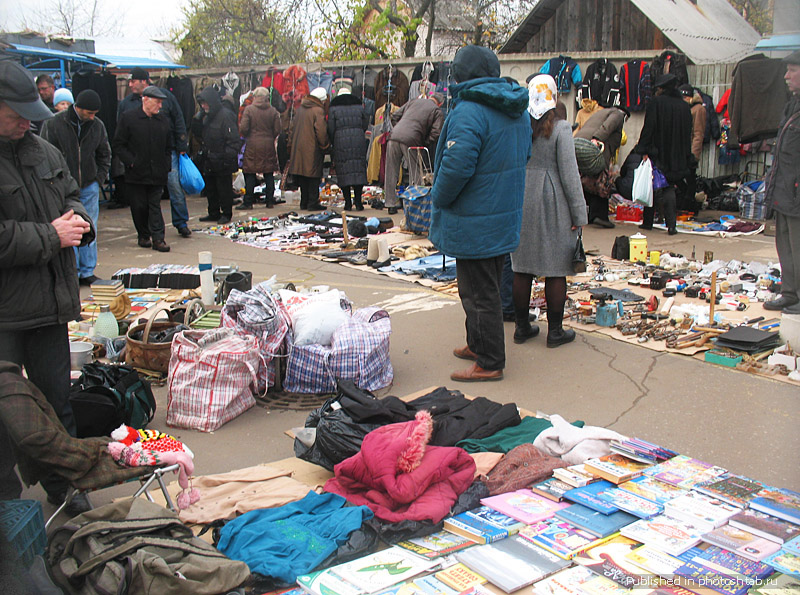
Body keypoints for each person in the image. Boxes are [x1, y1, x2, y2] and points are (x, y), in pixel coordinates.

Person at [0, 60, 94, 514]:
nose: (25, 120)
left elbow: (72, 195)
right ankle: (6, 501)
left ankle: (66, 483)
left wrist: (82, 221)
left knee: (58, 401)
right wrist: (50, 237)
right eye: (15, 112)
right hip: (6, 312)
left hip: (52, 306)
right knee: (5, 413)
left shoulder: (44, 151)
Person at [430, 45, 532, 383]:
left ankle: (489, 361)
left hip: (475, 217)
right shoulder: (514, 107)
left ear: (463, 76)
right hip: (498, 213)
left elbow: (457, 167)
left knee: (479, 292)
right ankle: (477, 344)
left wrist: (439, 197)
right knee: (473, 287)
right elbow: (523, 154)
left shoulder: (470, 110)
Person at [512, 74, 587, 349]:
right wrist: (579, 215)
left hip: (522, 197)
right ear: (553, 97)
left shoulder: (520, 125)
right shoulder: (561, 128)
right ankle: (555, 332)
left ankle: (522, 327)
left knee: (522, 268)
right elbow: (570, 175)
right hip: (553, 200)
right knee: (556, 269)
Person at [41, 89, 111, 286]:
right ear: (78, 107)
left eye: (94, 113)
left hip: (88, 184)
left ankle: (87, 271)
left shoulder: (97, 126)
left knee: (89, 227)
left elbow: (104, 153)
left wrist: (99, 178)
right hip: (62, 187)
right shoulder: (54, 124)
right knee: (69, 229)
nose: (92, 117)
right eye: (89, 113)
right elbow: (43, 154)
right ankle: (70, 270)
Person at [116, 68, 191, 237]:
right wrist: (130, 161)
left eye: (133, 81)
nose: (130, 84)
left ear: (143, 81)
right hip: (139, 161)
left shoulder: (165, 98)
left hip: (163, 155)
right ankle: (145, 232)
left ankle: (179, 223)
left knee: (173, 189)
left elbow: (178, 118)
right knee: (141, 202)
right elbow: (120, 138)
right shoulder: (127, 105)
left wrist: (181, 146)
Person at [114, 85, 173, 252]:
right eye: (157, 102)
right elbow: (119, 145)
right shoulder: (129, 118)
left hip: (157, 172)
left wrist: (166, 164)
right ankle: (143, 234)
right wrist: (131, 162)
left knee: (155, 205)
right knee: (139, 206)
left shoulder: (162, 121)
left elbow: (169, 146)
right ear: (145, 100)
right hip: (137, 173)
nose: (160, 106)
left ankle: (158, 238)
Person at [763, 50, 800, 314]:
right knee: (785, 247)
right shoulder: (792, 107)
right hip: (784, 192)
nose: (786, 76)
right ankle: (790, 293)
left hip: (797, 193)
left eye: (792, 70)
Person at [634, 73, 693, 235]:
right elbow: (688, 132)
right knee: (669, 186)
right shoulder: (684, 107)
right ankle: (671, 224)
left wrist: (643, 149)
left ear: (661, 89)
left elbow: (649, 128)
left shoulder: (656, 103)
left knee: (652, 184)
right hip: (678, 152)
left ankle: (647, 222)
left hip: (659, 150)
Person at [384, 93, 444, 214]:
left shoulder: (413, 101)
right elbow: (436, 132)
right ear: (440, 103)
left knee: (391, 170)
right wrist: (424, 142)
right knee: (415, 172)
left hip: (394, 136)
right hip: (412, 140)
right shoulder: (437, 111)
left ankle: (390, 204)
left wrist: (399, 129)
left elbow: (395, 115)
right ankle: (414, 204)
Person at [193, 86, 241, 224]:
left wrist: (227, 157)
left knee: (224, 189)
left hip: (222, 159)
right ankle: (213, 212)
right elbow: (199, 135)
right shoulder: (207, 116)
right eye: (201, 104)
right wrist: (197, 120)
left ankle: (226, 213)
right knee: (211, 189)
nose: (203, 106)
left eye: (205, 103)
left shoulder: (225, 115)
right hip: (210, 157)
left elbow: (233, 140)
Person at [574, 105, 627, 228]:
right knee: (601, 181)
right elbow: (608, 126)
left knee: (585, 180)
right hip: (593, 148)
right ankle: (600, 216)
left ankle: (588, 214)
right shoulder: (618, 114)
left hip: (579, 144)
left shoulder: (600, 113)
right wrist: (597, 139)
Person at [237, 86, 281, 210]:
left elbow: (244, 128)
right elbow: (277, 129)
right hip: (268, 144)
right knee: (269, 173)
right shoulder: (273, 111)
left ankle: (248, 202)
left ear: (255, 97)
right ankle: (269, 201)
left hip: (252, 144)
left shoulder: (249, 110)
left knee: (250, 172)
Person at [327, 87, 370, 211]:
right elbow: (365, 123)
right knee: (359, 170)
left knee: (344, 171)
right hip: (358, 140)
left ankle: (347, 203)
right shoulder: (359, 106)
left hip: (340, 141)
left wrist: (333, 139)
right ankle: (358, 202)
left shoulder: (333, 108)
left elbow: (331, 127)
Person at [288, 87, 330, 211]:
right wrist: (325, 146)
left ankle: (304, 202)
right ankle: (312, 203)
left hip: (298, 148)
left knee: (303, 176)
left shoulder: (300, 109)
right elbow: (321, 131)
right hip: (312, 148)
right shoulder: (318, 111)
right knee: (313, 176)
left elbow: (291, 129)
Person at [677, 83, 707, 214]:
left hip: (690, 152)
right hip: (683, 151)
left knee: (689, 180)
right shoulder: (687, 108)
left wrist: (694, 155)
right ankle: (687, 204)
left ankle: (690, 206)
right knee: (683, 179)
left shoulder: (698, 109)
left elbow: (698, 133)